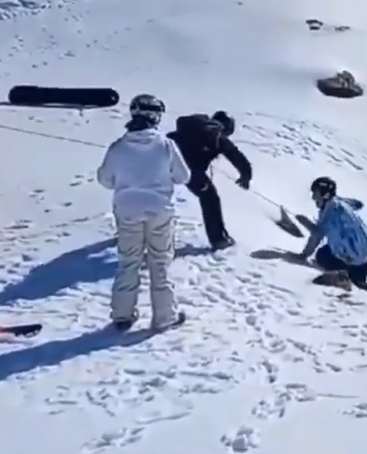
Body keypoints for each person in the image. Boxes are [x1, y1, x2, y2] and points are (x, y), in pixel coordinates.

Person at [96, 94, 191, 331]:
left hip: (127, 209)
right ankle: (164, 317)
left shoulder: (118, 147)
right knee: (160, 261)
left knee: (129, 261)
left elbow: (105, 179)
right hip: (160, 209)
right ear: (156, 116)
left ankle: (122, 315)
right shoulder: (166, 145)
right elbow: (183, 176)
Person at [291, 177, 367, 300]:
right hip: (362, 256)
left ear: (325, 195)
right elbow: (358, 204)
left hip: (352, 257)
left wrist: (303, 254)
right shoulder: (338, 203)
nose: (313, 198)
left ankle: (342, 277)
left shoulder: (331, 212)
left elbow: (317, 235)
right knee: (359, 282)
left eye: (315, 194)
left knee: (322, 257)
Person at [167, 111, 252, 251]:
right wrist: (245, 176)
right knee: (210, 199)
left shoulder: (191, 127)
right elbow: (237, 156)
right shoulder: (218, 135)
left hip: (167, 164)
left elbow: (168, 139)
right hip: (192, 171)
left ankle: (137, 231)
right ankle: (219, 240)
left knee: (157, 196)